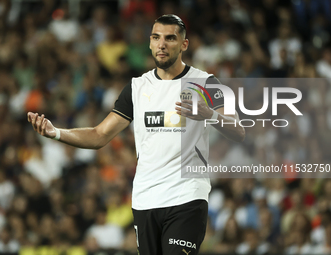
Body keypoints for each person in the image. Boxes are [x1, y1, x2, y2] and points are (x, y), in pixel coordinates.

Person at [28, 14, 245, 255]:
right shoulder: (136, 88)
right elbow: (99, 134)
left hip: (187, 196)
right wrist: (56, 132)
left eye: (170, 38)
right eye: (156, 37)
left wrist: (208, 114)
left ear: (184, 44)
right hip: (146, 200)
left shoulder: (207, 83)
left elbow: (238, 131)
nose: (162, 44)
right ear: (150, 43)